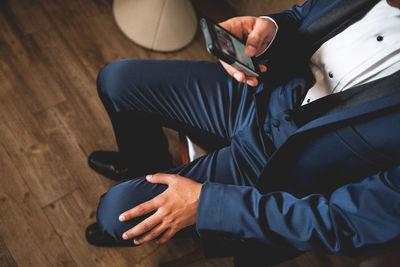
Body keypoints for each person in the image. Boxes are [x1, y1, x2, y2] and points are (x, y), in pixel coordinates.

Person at [86, 0, 400, 265]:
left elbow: (349, 223)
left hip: (281, 173)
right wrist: (269, 29)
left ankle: (153, 197)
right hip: (259, 94)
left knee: (117, 215)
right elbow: (305, 15)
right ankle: (145, 163)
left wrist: (207, 206)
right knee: (116, 80)